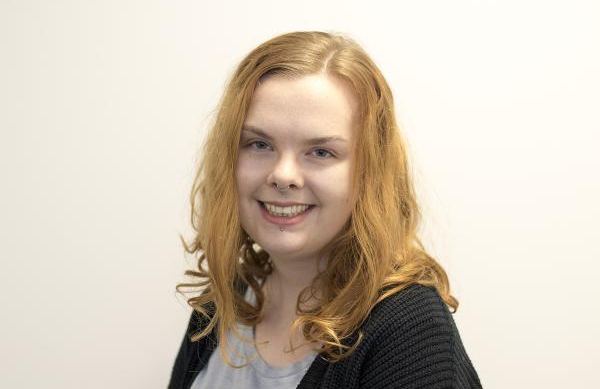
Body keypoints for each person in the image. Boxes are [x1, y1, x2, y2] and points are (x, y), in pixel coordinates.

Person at [168, 31, 482, 389]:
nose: (283, 175)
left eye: (321, 152)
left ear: (369, 173)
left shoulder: (410, 333)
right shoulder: (225, 300)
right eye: (259, 144)